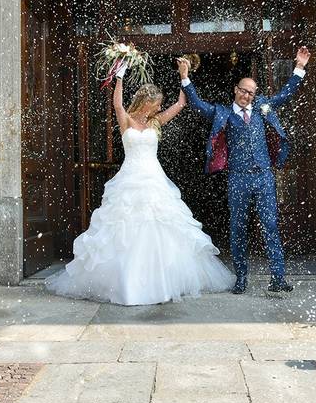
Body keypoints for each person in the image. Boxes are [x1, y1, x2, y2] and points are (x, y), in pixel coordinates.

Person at [47, 67, 234, 305]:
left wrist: (183, 75)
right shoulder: (126, 120)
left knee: (158, 225)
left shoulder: (156, 122)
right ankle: (127, 281)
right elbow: (117, 104)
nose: (158, 108)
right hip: (130, 178)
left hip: (154, 179)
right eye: (156, 104)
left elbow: (180, 104)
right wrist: (120, 76)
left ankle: (159, 281)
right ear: (146, 102)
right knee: (125, 227)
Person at [180, 48, 310, 294]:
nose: (247, 96)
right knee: (238, 228)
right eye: (244, 91)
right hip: (237, 178)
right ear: (236, 90)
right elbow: (197, 105)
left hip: (263, 177)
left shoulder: (263, 107)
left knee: (270, 225)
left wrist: (299, 67)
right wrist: (185, 77)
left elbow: (285, 94)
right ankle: (241, 278)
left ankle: (278, 277)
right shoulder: (224, 113)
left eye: (251, 93)